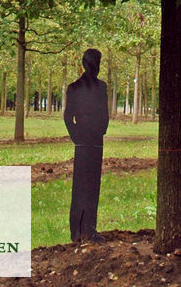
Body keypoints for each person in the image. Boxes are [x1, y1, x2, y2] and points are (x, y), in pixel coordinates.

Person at [64, 48, 109, 243]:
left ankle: (84, 230)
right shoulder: (82, 88)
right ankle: (82, 230)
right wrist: (83, 135)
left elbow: (103, 115)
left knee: (87, 184)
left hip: (90, 141)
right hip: (88, 141)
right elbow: (68, 117)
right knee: (86, 185)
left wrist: (87, 133)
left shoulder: (91, 87)